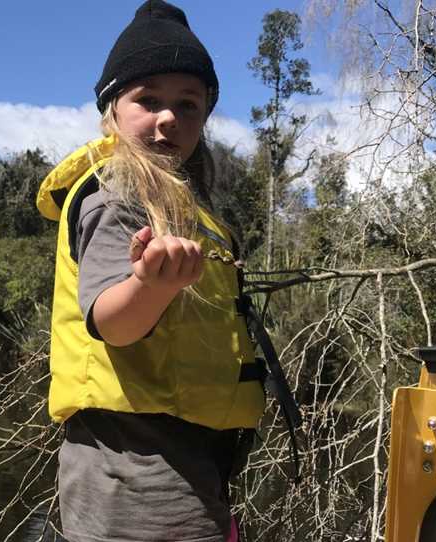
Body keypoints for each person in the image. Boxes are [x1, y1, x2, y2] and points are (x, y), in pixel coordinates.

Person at [36, 1, 265, 540]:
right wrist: (149, 284)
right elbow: (113, 323)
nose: (169, 117)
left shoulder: (194, 210)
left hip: (190, 462)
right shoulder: (116, 197)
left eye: (188, 104)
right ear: (112, 109)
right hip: (134, 472)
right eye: (149, 100)